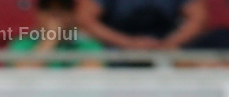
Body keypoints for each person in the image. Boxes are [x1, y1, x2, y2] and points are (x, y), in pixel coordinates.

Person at [75, 0, 207, 51]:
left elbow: (199, 19)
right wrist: (129, 44)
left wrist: (165, 45)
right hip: (118, 57)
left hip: (165, 57)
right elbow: (85, 19)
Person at [9, 0, 105, 67]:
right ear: (37, 14)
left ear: (73, 14)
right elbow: (24, 76)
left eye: (63, 8)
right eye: (47, 8)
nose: (55, 14)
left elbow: (90, 78)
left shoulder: (88, 45)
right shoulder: (21, 44)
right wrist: (50, 39)